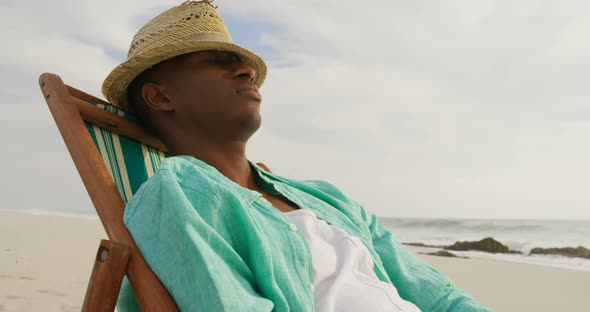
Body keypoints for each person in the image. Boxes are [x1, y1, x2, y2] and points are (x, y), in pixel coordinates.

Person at [102, 1, 491, 311]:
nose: (246, 71)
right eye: (217, 61)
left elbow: (437, 296)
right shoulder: (175, 195)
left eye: (243, 64)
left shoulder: (327, 198)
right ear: (160, 96)